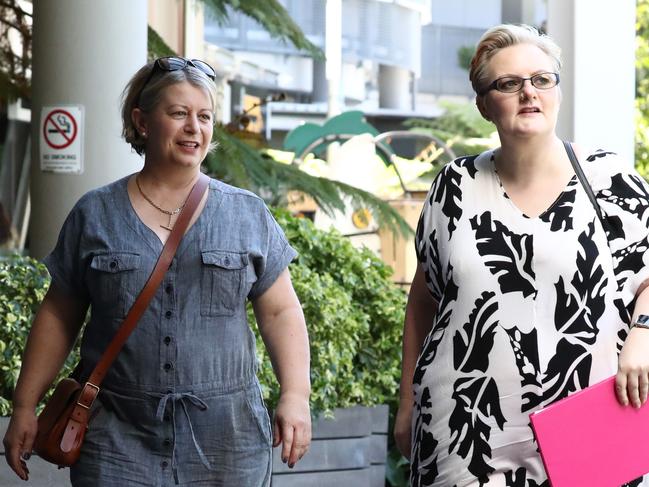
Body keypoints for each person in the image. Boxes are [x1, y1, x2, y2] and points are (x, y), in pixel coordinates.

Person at [3, 56, 311, 486]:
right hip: (117, 440)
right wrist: (24, 407)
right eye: (179, 113)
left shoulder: (247, 214)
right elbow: (59, 314)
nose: (194, 127)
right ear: (142, 122)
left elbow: (280, 312)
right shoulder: (95, 214)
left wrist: (296, 396)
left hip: (227, 440)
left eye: (204, 116)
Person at [394, 24, 649, 486]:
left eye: (541, 79)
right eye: (509, 84)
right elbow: (424, 299)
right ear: (484, 104)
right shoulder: (453, 187)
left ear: (556, 89)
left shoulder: (609, 178)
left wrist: (643, 336)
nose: (529, 93)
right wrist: (408, 401)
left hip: (586, 423)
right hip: (463, 429)